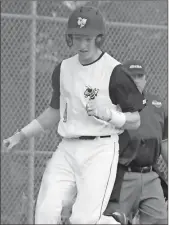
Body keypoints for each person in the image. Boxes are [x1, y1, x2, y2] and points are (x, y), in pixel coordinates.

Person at [3, 7, 145, 224]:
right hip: (67, 148)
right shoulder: (63, 69)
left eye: (88, 38)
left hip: (101, 150)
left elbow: (136, 120)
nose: (82, 44)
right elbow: (54, 112)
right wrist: (19, 136)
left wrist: (110, 116)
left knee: (83, 220)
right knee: (45, 213)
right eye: (77, 38)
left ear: (99, 38)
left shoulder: (114, 71)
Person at [100, 60, 168, 224]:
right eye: (132, 77)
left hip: (150, 175)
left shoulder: (157, 105)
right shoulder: (112, 104)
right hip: (122, 175)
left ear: (145, 79)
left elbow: (165, 142)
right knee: (115, 221)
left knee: (160, 220)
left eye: (140, 76)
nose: (137, 80)